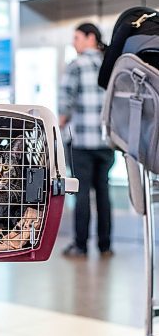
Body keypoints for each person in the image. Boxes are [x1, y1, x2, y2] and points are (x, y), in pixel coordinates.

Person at [59, 23, 115, 258]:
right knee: (103, 192)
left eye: (77, 37)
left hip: (81, 141)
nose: (74, 42)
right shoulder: (110, 65)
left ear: (90, 37)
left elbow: (64, 103)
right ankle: (105, 245)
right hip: (106, 143)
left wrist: (59, 126)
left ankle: (80, 245)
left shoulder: (77, 64)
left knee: (81, 193)